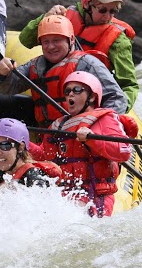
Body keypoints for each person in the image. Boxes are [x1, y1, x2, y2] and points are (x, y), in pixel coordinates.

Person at [0, 14, 128, 152]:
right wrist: (0, 73)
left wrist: (95, 126)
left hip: (78, 130)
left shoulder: (88, 64)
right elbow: (8, 87)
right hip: (47, 128)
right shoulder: (36, 65)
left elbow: (117, 97)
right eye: (46, 42)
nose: (51, 46)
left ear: (71, 40)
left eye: (56, 40)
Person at [19, 0, 139, 111]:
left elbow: (129, 84)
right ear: (86, 5)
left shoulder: (118, 40)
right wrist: (46, 18)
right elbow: (26, 40)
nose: (107, 16)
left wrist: (115, 112)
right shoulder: (63, 18)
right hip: (53, 92)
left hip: (88, 104)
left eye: (113, 11)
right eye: (102, 10)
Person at [37, 71, 132, 217]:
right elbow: (44, 155)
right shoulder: (59, 126)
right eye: (67, 91)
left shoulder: (104, 118)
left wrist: (92, 140)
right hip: (66, 193)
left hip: (97, 196)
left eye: (77, 90)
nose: (70, 94)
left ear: (92, 97)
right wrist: (21, 143)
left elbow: (124, 152)